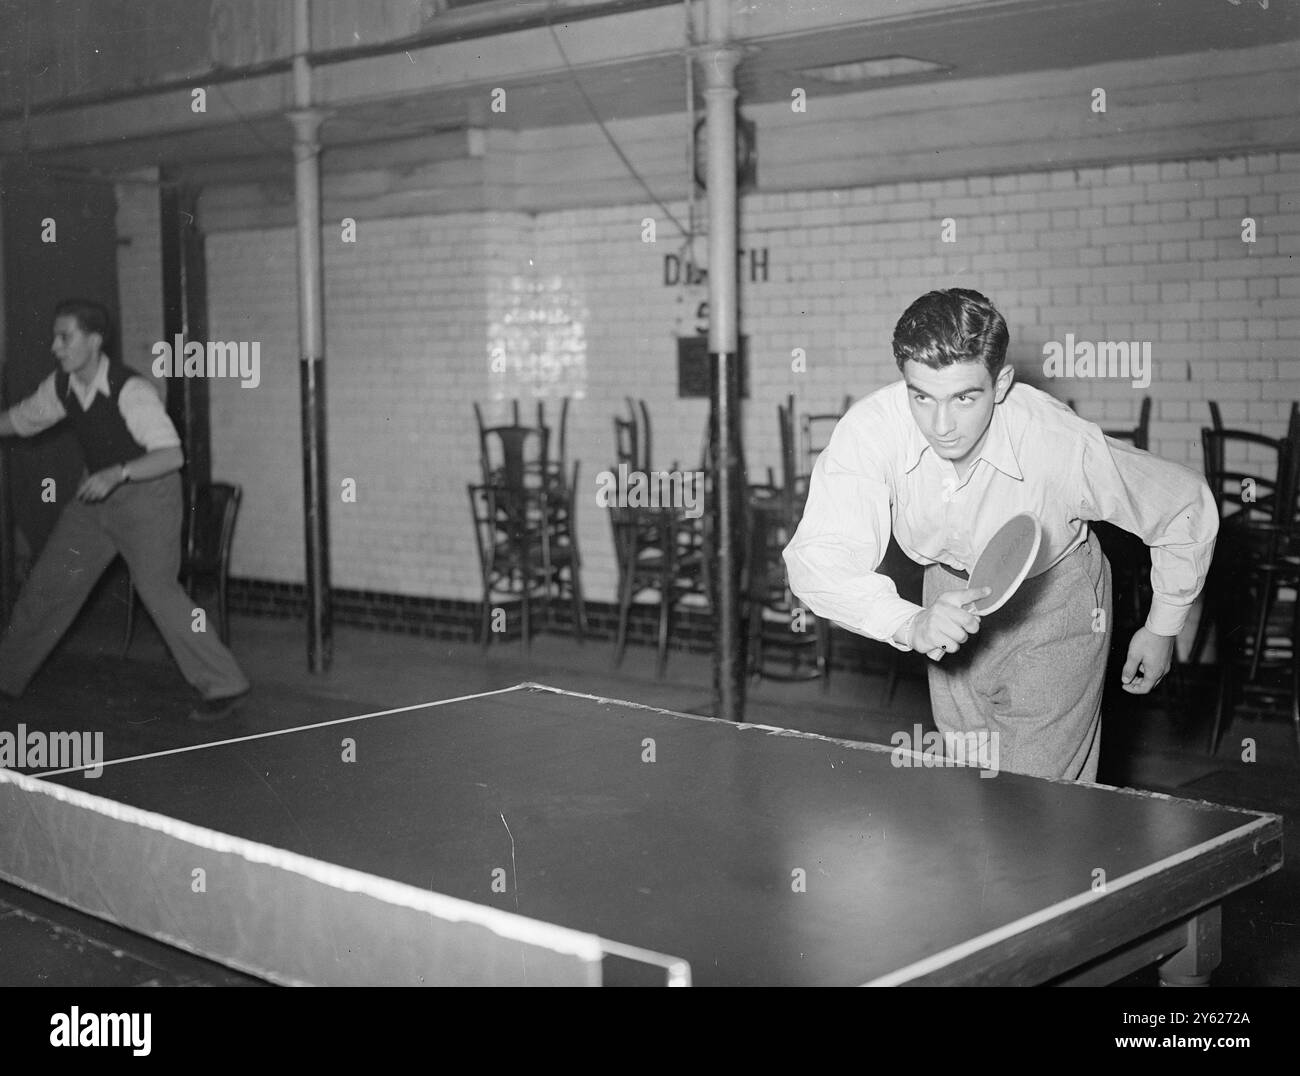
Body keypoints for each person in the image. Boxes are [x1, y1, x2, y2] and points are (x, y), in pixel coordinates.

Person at [784, 288, 1217, 781]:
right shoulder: (872, 430)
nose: (941, 425)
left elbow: (1183, 503)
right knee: (973, 785)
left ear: (1002, 382)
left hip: (1054, 596)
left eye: (964, 397)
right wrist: (908, 623)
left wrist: (1163, 626)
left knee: (1037, 799)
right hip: (947, 593)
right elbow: (817, 556)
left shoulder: (1056, 442)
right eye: (921, 396)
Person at [0, 299, 249, 720]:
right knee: (50, 582)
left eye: (66, 337)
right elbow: (22, 419)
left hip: (148, 496)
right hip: (95, 496)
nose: (55, 347)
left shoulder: (131, 389)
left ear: (94, 341)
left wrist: (118, 472)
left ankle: (226, 684)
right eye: (54, 337)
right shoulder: (62, 386)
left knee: (159, 591)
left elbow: (171, 455)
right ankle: (6, 676)